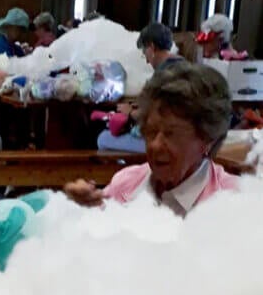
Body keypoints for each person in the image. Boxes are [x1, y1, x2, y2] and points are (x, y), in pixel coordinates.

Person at [66, 62, 238, 216]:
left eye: (171, 134)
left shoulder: (232, 205)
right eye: (151, 131)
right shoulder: (126, 184)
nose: (155, 145)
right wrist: (80, 212)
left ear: (207, 140)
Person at [97, 22, 184, 153]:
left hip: (167, 141)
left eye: (144, 52)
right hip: (184, 139)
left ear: (151, 47)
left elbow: (156, 117)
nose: (147, 60)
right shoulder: (184, 66)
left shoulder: (163, 75)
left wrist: (130, 112)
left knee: (103, 139)